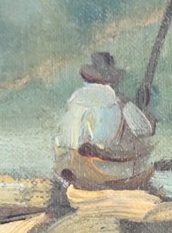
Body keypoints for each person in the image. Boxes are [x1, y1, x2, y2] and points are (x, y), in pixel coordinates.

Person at [54, 52, 155, 190]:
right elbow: (144, 130)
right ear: (111, 80)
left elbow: (65, 137)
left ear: (88, 79)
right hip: (103, 162)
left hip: (79, 159)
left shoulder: (77, 97)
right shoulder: (119, 101)